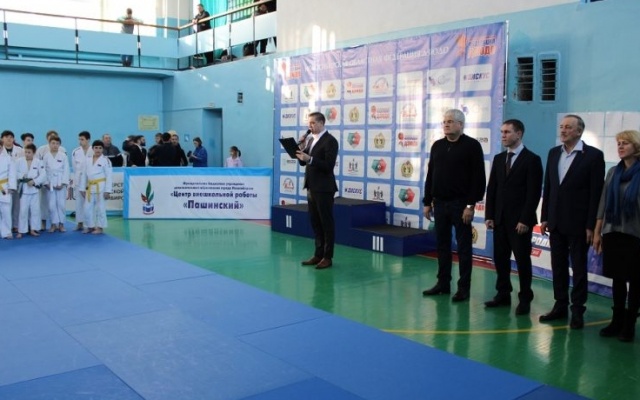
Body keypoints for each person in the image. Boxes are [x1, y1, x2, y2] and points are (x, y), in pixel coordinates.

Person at [539, 114, 605, 329]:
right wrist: (545, 217)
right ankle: (560, 305)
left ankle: (577, 309)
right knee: (557, 266)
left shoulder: (594, 156)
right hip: (556, 222)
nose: (563, 130)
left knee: (578, 268)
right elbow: (549, 187)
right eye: (562, 126)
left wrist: (590, 225)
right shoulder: (553, 153)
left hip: (579, 224)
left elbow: (596, 194)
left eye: (568, 127)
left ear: (579, 131)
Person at [422, 109, 486, 302]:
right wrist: (427, 202)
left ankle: (463, 288)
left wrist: (470, 205)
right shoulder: (437, 145)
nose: (446, 125)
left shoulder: (472, 146)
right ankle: (443, 283)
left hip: (461, 205)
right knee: (442, 246)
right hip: (440, 204)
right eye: (444, 122)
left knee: (464, 248)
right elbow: (431, 175)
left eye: (450, 121)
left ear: (461, 124)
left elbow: (478, 178)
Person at [484, 119, 543, 315]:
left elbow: (533, 193)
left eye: (507, 132)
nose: (503, 135)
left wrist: (525, 219)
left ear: (519, 134)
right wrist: (490, 215)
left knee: (522, 261)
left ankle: (525, 297)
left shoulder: (532, 160)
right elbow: (492, 188)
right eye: (502, 132)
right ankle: (503, 293)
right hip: (499, 219)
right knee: (500, 259)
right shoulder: (499, 158)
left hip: (520, 223)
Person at [593, 130, 640, 342]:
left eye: (625, 143)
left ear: (636, 147)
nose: (620, 146)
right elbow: (603, 203)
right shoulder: (613, 172)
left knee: (636, 281)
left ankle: (629, 324)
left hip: (635, 235)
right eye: (619, 143)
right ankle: (617, 320)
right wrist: (597, 232)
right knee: (617, 279)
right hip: (612, 233)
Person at [295, 111, 339, 269]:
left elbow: (328, 166)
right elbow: (303, 162)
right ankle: (318, 254)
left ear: (321, 123)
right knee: (316, 222)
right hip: (311, 187)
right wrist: (300, 149)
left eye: (313, 123)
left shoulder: (330, 141)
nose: (310, 126)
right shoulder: (311, 140)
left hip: (324, 188)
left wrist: (310, 159)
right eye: (309, 123)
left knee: (326, 223)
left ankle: (327, 257)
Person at [80, 140, 112, 235]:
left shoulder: (106, 160)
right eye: (96, 148)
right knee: (87, 208)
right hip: (90, 187)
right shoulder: (87, 160)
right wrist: (82, 188)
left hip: (101, 187)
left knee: (100, 208)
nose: (98, 150)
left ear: (103, 149)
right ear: (93, 148)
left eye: (100, 148)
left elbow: (109, 176)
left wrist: (108, 191)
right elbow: (83, 175)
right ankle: (90, 226)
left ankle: (100, 227)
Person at [15, 144, 45, 238]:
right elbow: (15, 172)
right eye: (26, 152)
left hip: (34, 190)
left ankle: (33, 229)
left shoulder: (38, 162)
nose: (27, 154)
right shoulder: (19, 161)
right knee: (23, 211)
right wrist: (22, 176)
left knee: (35, 210)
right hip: (24, 190)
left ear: (34, 153)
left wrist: (34, 181)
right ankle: (21, 230)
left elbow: (43, 175)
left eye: (29, 152)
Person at [43, 135, 70, 233]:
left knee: (61, 204)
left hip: (60, 181)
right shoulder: (46, 156)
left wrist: (63, 183)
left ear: (59, 145)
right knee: (51, 205)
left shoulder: (63, 156)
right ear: (49, 144)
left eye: (57, 143)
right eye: (53, 143)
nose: (55, 145)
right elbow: (43, 171)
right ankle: (53, 224)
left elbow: (66, 170)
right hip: (49, 183)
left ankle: (61, 224)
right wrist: (46, 183)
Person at [1, 130, 24, 233]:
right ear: (2, 139)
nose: (9, 139)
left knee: (15, 205)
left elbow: (22, 166)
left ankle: (14, 226)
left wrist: (16, 181)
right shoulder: (2, 151)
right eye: (6, 137)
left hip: (14, 182)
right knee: (5, 207)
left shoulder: (20, 150)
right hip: (3, 183)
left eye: (11, 137)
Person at [71, 131, 93, 231]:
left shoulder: (93, 150)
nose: (80, 141)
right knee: (79, 203)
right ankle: (79, 223)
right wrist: (78, 177)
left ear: (88, 140)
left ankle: (88, 224)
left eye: (82, 139)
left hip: (90, 180)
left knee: (89, 203)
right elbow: (74, 167)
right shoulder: (75, 151)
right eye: (79, 139)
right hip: (79, 179)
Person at [0, 148, 17, 239]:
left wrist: (12, 187)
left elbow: (12, 173)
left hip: (4, 187)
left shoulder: (8, 158)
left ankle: (7, 232)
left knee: (6, 211)